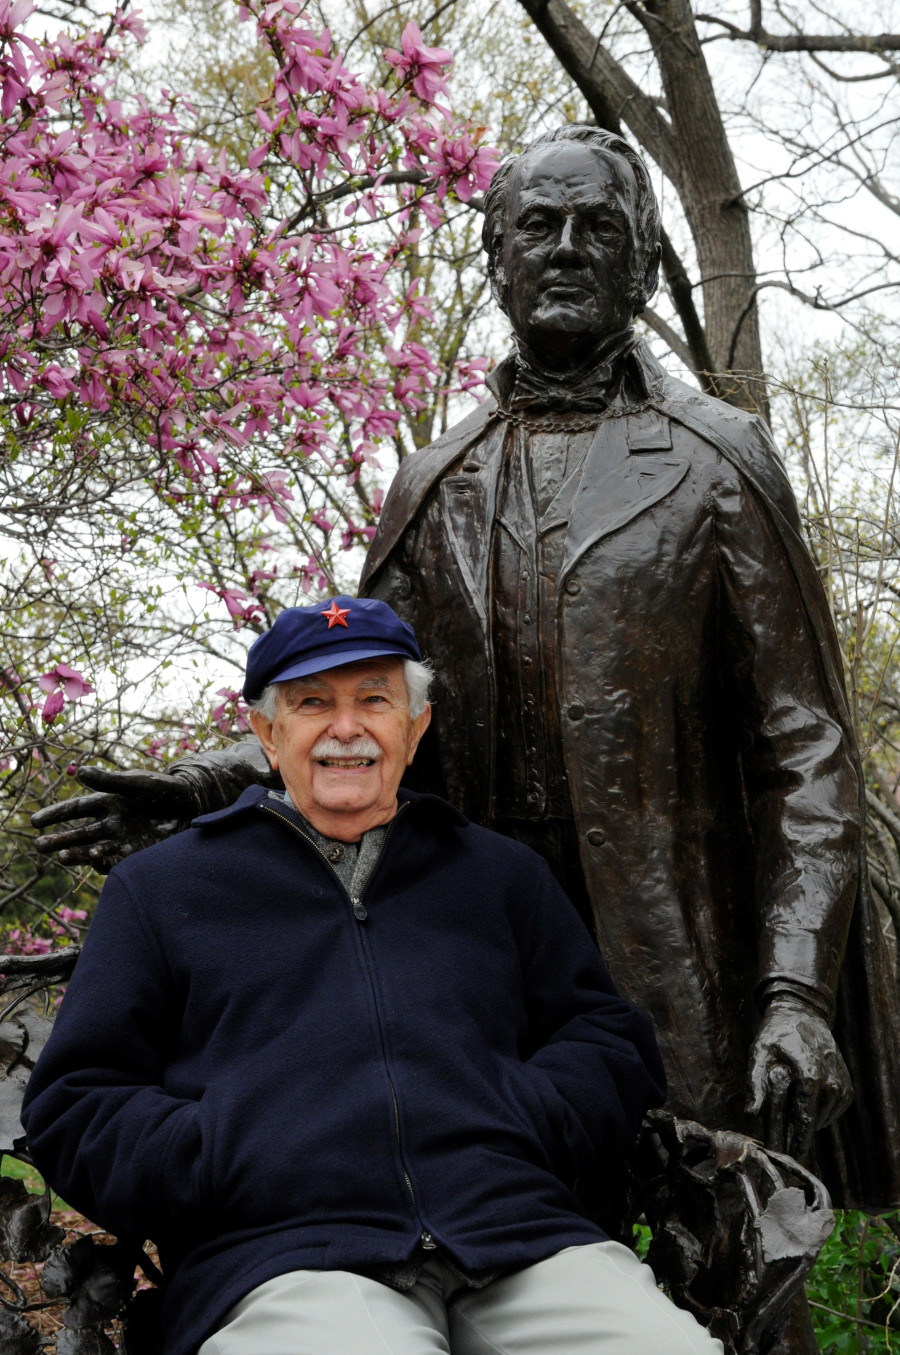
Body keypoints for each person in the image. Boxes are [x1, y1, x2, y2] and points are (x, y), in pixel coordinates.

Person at [31, 128, 900, 1214]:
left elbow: (808, 751)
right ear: (496, 256)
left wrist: (793, 985)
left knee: (729, 1258)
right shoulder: (431, 483)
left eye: (602, 228)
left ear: (642, 264)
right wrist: (214, 782)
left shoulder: (717, 458)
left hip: (683, 943)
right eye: (540, 226)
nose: (569, 248)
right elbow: (366, 703)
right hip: (481, 940)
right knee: (498, 1231)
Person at [21, 596, 724, 1355]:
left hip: (518, 1236)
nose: (346, 728)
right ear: (266, 731)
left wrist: (521, 1112)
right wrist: (226, 1151)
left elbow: (608, 1038)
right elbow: (78, 1104)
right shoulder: (162, 889)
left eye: (375, 700)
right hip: (286, 1259)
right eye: (313, 702)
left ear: (414, 728)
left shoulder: (499, 875)